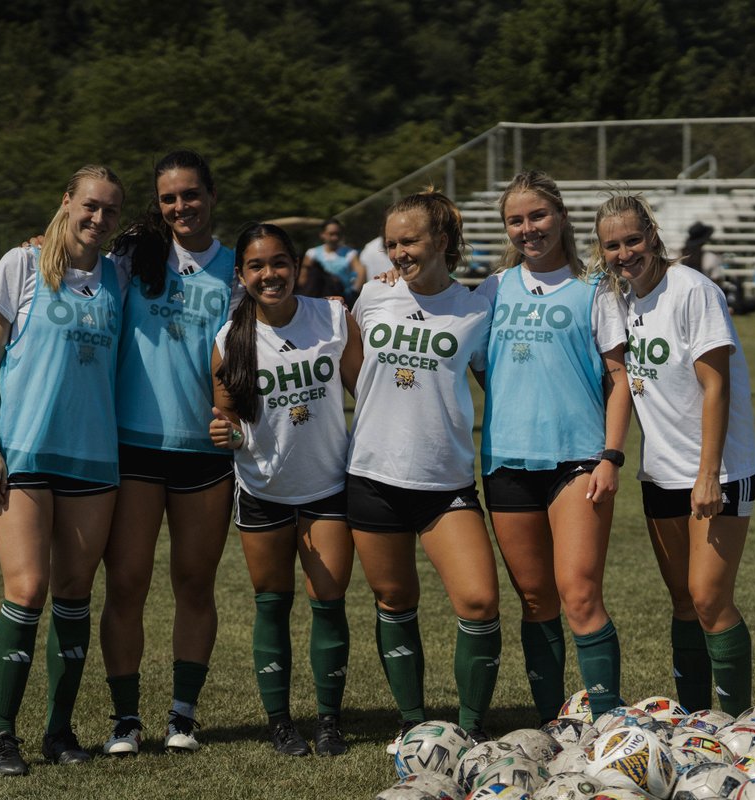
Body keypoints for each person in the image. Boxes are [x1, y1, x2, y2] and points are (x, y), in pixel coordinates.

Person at [0, 165, 125, 775]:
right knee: (27, 589)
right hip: (25, 453)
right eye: (89, 206)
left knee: (73, 594)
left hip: (95, 457)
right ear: (66, 202)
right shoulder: (19, 264)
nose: (98, 219)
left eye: (110, 211)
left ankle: (59, 733)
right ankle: (0, 735)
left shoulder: (119, 276)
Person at [593, 192, 755, 716]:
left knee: (710, 599)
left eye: (633, 240)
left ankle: (736, 724)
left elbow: (717, 388)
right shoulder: (619, 299)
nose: (625, 253)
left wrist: (708, 474)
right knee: (684, 603)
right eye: (613, 246)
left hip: (719, 471)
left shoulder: (694, 290)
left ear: (653, 234)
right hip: (659, 474)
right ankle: (694, 719)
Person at [476, 171, 631, 723]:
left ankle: (609, 725)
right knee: (536, 601)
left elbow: (619, 377)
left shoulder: (596, 288)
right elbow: (470, 358)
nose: (527, 229)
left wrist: (611, 456)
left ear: (561, 217)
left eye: (537, 216)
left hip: (580, 460)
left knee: (580, 594)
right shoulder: (494, 289)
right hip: (506, 461)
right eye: (515, 221)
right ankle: (551, 721)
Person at [348, 189, 501, 749]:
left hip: (446, 482)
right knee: (395, 601)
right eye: (391, 243)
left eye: (408, 241)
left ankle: (472, 727)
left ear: (441, 241)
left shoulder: (476, 310)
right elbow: (352, 367)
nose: (398, 253)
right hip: (371, 476)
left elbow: (494, 383)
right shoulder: (372, 296)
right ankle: (412, 724)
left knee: (480, 600)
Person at [98, 150, 237, 755]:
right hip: (132, 447)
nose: (181, 206)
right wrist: (38, 240)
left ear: (211, 195)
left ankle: (184, 714)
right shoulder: (133, 258)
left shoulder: (238, 268)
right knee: (126, 584)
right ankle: (125, 719)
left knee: (194, 583)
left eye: (191, 194)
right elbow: (75, 268)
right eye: (168, 198)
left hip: (205, 454)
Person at [209, 223, 363, 756]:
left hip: (327, 487)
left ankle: (328, 721)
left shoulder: (332, 317)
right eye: (256, 266)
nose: (269, 274)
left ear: (296, 265)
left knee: (329, 601)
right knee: (271, 604)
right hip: (263, 489)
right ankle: (280, 722)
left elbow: (364, 390)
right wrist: (223, 432)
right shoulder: (230, 338)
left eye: (279, 262)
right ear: (242, 275)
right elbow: (227, 420)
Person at [302, 218, 367, 303]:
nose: (335, 238)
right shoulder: (312, 254)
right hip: (317, 299)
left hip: (342, 298)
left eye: (338, 234)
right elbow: (303, 277)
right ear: (322, 234)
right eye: (331, 234)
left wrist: (353, 292)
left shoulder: (350, 253)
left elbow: (361, 271)